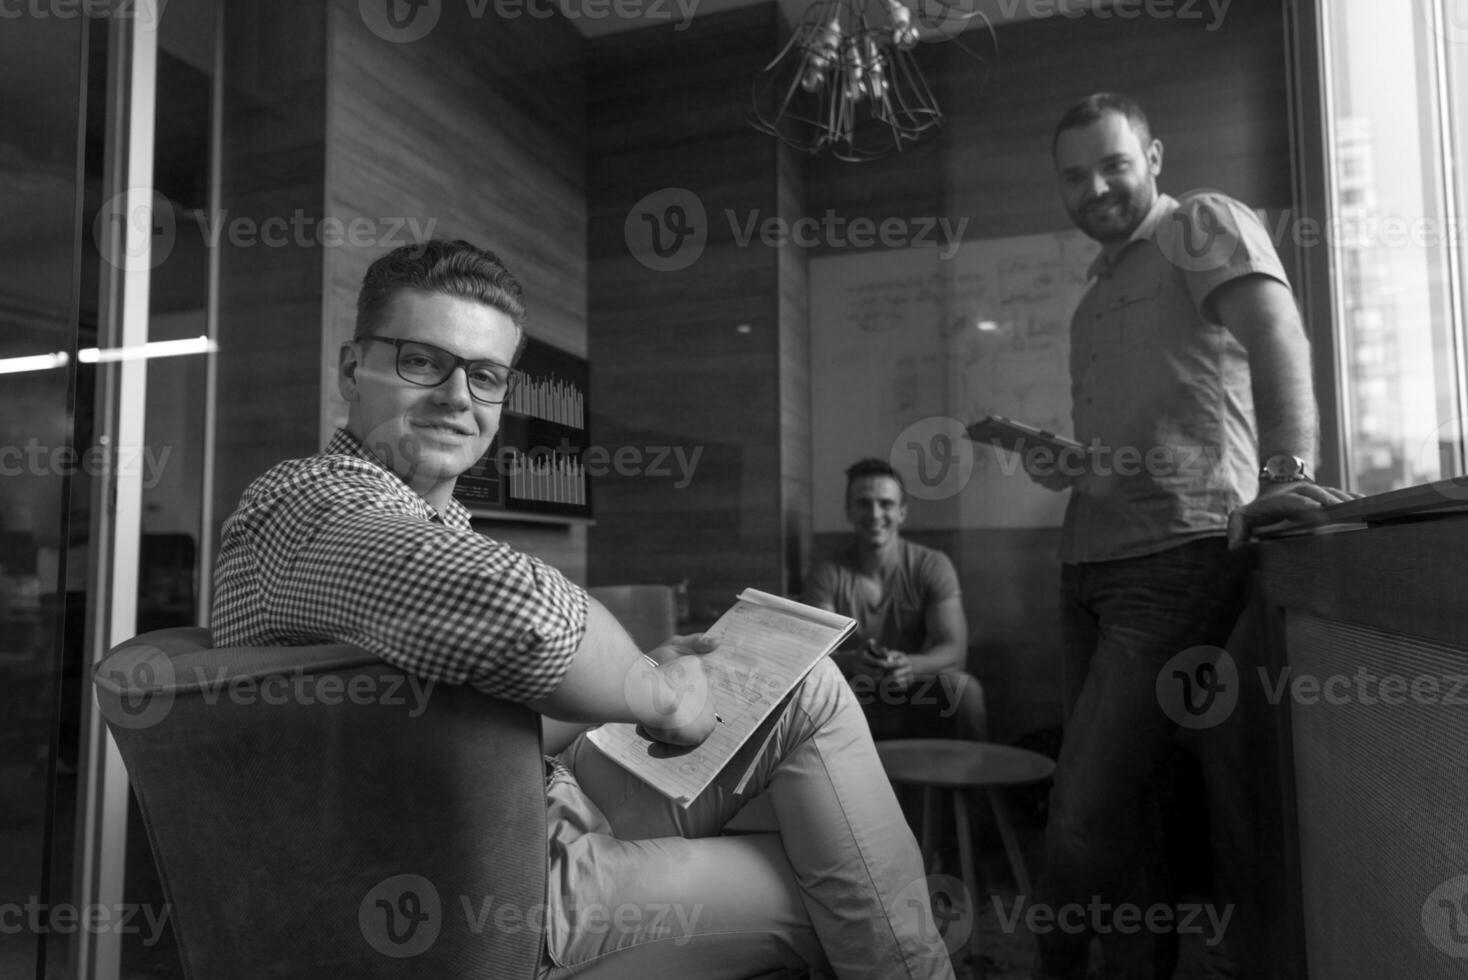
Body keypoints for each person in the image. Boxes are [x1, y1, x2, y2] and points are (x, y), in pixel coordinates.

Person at [210, 239, 956, 980]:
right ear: (352, 369)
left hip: (528, 806)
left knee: (810, 694)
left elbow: (473, 716)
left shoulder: (431, 525)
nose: (456, 397)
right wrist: (657, 694)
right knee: (844, 890)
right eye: (420, 361)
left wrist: (640, 676)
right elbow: (521, 606)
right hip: (480, 883)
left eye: (485, 376)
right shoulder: (307, 498)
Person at [1025, 94, 1355, 980]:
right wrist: (1069, 462)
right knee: (1131, 802)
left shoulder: (1201, 224)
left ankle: (1050, 965)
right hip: (1085, 562)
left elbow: (1277, 329)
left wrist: (1287, 473)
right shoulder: (1094, 295)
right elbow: (1141, 430)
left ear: (1155, 157)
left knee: (1081, 806)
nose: (1094, 186)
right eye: (1074, 174)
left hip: (1179, 558)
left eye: (1113, 164)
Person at [805, 459, 988, 742]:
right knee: (815, 693)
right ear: (849, 512)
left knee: (964, 690)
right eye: (864, 504)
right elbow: (814, 654)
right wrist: (853, 662)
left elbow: (955, 650)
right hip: (854, 688)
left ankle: (974, 785)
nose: (875, 513)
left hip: (916, 686)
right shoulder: (827, 571)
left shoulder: (932, 564)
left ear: (902, 512)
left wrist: (910, 666)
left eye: (885, 503)